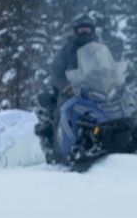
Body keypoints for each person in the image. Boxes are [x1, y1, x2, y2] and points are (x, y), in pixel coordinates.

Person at [36, 14, 101, 147]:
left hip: (95, 88)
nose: (84, 33)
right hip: (71, 90)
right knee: (63, 108)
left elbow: (106, 66)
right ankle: (59, 145)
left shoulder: (98, 49)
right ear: (76, 30)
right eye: (81, 30)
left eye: (87, 30)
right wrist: (65, 86)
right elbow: (56, 72)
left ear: (92, 30)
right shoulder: (67, 50)